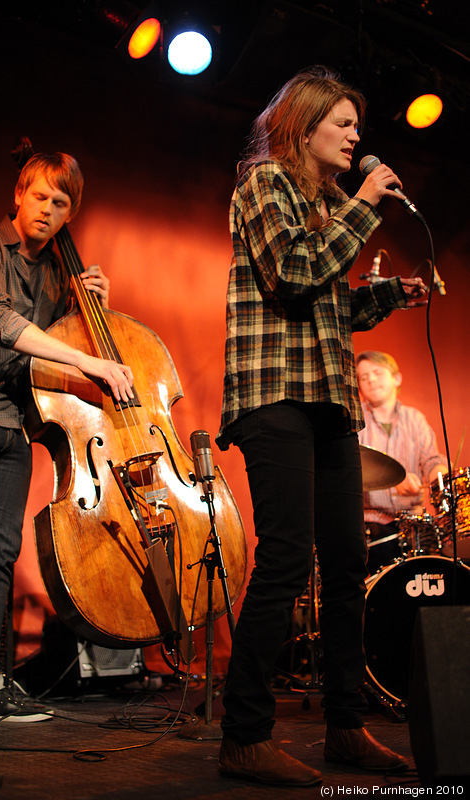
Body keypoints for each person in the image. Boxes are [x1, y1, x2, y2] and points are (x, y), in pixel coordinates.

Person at [215, 66, 428, 786]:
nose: (356, 137)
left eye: (356, 126)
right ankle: (244, 736)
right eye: (343, 124)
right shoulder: (265, 185)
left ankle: (345, 726)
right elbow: (293, 274)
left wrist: (390, 295)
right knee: (283, 561)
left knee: (344, 570)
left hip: (327, 400)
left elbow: (331, 307)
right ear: (303, 127)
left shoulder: (330, 203)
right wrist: (365, 207)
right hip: (273, 395)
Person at [0, 153, 134, 734]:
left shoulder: (54, 272)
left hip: (14, 417)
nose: (49, 211)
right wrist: (85, 359)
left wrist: (85, 305)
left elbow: (51, 340)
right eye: (41, 197)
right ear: (19, 193)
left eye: (62, 202)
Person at [356, 350, 448, 573]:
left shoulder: (414, 418)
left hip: (411, 525)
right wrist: (393, 480)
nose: (371, 380)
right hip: (370, 527)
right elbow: (349, 469)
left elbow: (431, 459)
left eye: (377, 372)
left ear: (396, 378)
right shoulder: (355, 419)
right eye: (364, 377)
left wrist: (439, 474)